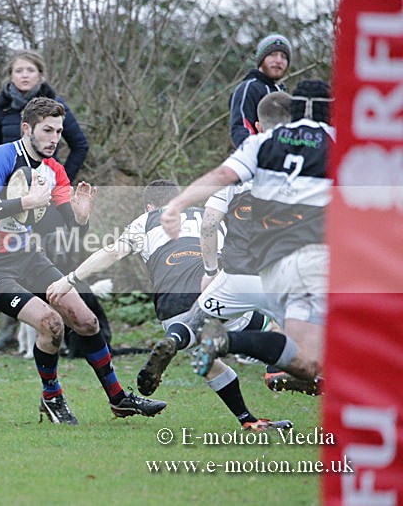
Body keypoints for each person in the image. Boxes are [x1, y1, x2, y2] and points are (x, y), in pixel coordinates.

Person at [0, 97, 165, 424]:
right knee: (50, 323)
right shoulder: (0, 157)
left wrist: (79, 217)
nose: (54, 138)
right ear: (27, 128)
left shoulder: (53, 170)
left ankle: (119, 400)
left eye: (58, 131)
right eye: (47, 130)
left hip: (27, 258)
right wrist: (24, 201)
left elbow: (53, 224)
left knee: (86, 321)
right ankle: (52, 397)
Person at [47, 180, 290, 431]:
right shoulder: (206, 214)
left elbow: (111, 252)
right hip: (212, 289)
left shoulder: (145, 220)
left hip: (171, 304)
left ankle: (246, 418)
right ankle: (274, 370)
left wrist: (69, 280)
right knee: (268, 324)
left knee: (206, 361)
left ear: (150, 206)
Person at [161, 79, 334, 391]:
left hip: (271, 264)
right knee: (315, 362)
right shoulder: (339, 140)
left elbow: (222, 176)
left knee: (304, 361)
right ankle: (231, 339)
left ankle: (226, 340)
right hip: (312, 259)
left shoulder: (262, 142)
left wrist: (177, 204)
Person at [136, 92, 293, 397]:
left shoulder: (241, 165)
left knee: (198, 320)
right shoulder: (308, 163)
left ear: (257, 125)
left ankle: (181, 341)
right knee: (289, 332)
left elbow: (209, 223)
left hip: (233, 275)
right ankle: (279, 370)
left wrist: (210, 269)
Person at [0, 49, 92, 351]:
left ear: (40, 74)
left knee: (50, 262)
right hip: (8, 203)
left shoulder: (57, 109)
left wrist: (59, 180)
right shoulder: (1, 110)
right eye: (19, 70)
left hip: (45, 199)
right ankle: (12, 333)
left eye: (31, 69)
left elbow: (80, 145)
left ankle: (63, 332)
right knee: (8, 262)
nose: (25, 75)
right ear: (11, 76)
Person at [229, 34, 291, 148]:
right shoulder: (248, 88)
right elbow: (240, 129)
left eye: (283, 56)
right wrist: (261, 154)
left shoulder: (284, 93)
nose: (278, 60)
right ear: (262, 59)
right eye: (273, 55)